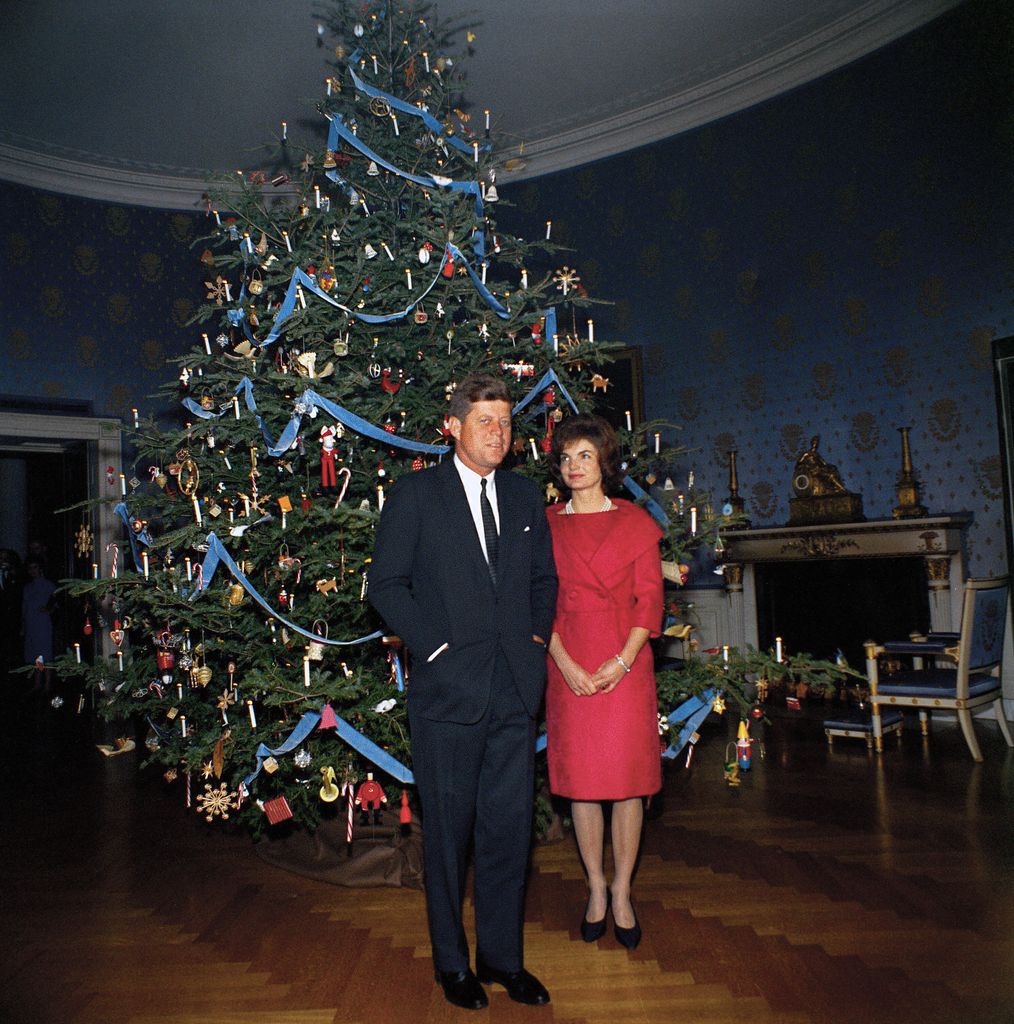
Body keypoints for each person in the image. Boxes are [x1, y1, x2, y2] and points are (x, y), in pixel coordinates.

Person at [369, 371, 558, 1010]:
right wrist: (436, 650)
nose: (498, 434)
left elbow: (543, 581)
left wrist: (535, 641)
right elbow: (386, 585)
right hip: (448, 693)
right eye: (485, 421)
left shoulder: (525, 496)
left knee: (509, 831)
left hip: (514, 691)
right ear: (452, 427)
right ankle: (452, 966)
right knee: (448, 838)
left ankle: (503, 959)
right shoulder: (417, 495)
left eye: (505, 422)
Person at [545, 413, 664, 950]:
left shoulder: (635, 521)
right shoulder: (545, 524)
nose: (574, 466)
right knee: (584, 784)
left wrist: (621, 661)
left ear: (605, 463)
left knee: (627, 783)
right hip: (567, 660)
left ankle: (622, 892)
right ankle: (595, 886)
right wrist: (565, 663)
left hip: (625, 664)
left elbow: (650, 600)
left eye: (585, 456)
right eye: (566, 457)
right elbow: (535, 603)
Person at [22, 555, 57, 694]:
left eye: (35, 567)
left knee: (45, 653)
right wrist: (23, 625)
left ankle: (47, 683)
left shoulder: (49, 585)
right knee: (36, 653)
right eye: (30, 568)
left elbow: (56, 603)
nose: (32, 571)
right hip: (31, 623)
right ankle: (38, 682)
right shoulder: (27, 587)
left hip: (43, 623)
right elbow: (24, 607)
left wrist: (49, 610)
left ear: (40, 568)